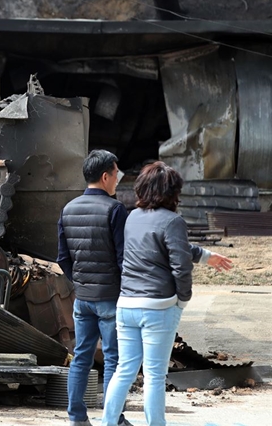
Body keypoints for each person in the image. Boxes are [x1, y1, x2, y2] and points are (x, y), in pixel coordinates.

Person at [100, 161, 233, 426]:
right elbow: (180, 266)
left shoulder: (132, 218)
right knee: (154, 376)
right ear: (172, 192)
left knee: (124, 371)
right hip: (158, 308)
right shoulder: (173, 221)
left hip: (126, 305)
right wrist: (182, 301)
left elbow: (165, 246)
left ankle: (107, 422)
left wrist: (207, 256)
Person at [57, 149, 132, 426]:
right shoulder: (115, 210)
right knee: (113, 359)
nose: (117, 180)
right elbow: (123, 259)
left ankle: (77, 419)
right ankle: (113, 418)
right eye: (116, 175)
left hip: (82, 298)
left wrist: (79, 282)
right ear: (105, 176)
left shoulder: (68, 209)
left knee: (80, 358)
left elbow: (63, 257)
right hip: (110, 298)